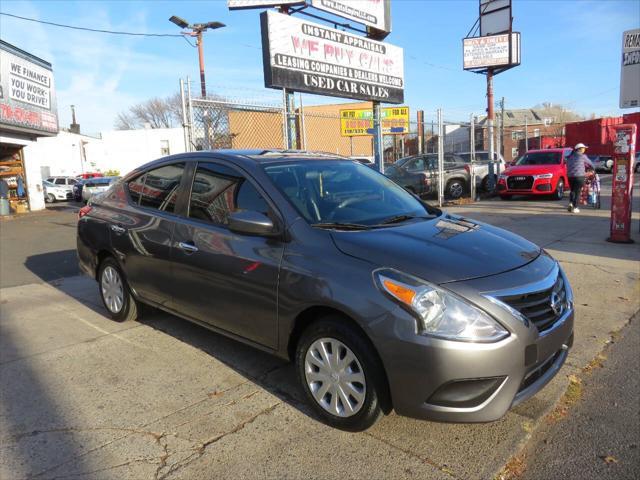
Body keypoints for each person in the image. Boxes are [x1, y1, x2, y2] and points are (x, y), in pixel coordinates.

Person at [566, 143, 594, 213]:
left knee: (572, 190)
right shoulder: (582, 156)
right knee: (578, 192)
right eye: (584, 148)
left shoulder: (569, 156)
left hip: (570, 176)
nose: (584, 150)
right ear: (580, 149)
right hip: (579, 176)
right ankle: (575, 207)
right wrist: (593, 169)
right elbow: (590, 163)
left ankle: (571, 203)